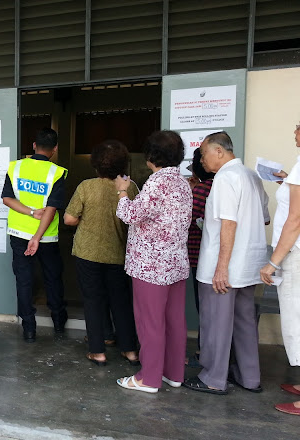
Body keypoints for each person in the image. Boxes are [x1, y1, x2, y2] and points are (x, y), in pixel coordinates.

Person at [184, 131, 269, 395]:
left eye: (203, 154)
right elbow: (264, 218)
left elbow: (228, 224)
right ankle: (249, 376)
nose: (202, 160)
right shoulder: (251, 176)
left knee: (216, 323)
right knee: (244, 322)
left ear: (219, 151)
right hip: (249, 265)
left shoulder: (225, 178)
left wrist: (221, 267)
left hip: (225, 266)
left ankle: (213, 378)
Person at [114, 130, 192, 393]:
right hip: (175, 262)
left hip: (151, 265)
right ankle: (173, 373)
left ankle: (148, 378)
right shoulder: (182, 182)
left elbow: (131, 215)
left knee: (150, 323)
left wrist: (122, 192)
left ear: (150, 156)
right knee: (174, 321)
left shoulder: (157, 182)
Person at [64, 140, 139, 366]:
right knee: (121, 301)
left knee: (93, 300)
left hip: (88, 253)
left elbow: (69, 219)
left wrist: (87, 221)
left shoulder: (86, 186)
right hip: (118, 254)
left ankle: (98, 351)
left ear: (96, 163)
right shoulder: (130, 187)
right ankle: (130, 350)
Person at [1, 128, 68, 343]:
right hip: (46, 237)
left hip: (19, 233)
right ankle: (58, 322)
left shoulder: (15, 167)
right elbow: (52, 208)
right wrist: (37, 237)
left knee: (24, 280)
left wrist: (30, 212)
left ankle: (29, 329)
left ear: (33, 145)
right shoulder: (57, 173)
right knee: (52, 278)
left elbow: (7, 199)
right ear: (55, 149)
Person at [260, 122, 300, 415]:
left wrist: (273, 262)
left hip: (296, 253)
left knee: (297, 321)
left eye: (298, 127)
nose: (294, 132)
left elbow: (295, 221)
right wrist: (287, 182)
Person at [185, 148, 215, 366]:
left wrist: (191, 193)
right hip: (224, 258)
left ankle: (204, 353)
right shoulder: (220, 184)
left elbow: (187, 220)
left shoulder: (202, 190)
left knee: (205, 308)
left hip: (200, 257)